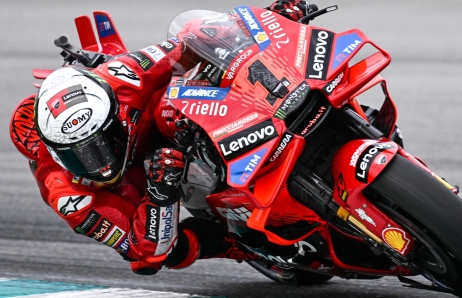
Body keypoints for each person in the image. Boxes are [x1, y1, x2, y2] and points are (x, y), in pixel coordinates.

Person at [9, 1, 317, 275]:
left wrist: (268, 22)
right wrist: (159, 194)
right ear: (55, 152)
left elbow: (188, 40)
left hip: (167, 123)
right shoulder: (68, 196)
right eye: (81, 156)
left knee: (177, 99)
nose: (99, 164)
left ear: (112, 115)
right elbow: (143, 251)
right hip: (140, 181)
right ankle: (247, 245)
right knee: (158, 257)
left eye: (100, 145)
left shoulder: (122, 75)